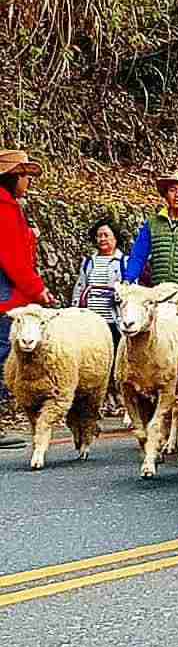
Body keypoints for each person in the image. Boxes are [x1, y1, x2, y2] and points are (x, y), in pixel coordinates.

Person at [0, 150, 56, 445]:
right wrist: (38, 289)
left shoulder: (11, 206)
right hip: (6, 295)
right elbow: (12, 258)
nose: (28, 181)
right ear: (12, 177)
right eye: (24, 176)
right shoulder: (4, 208)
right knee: (1, 352)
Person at [73, 220, 128, 344]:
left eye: (106, 235)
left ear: (115, 238)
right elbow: (80, 288)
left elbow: (130, 291)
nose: (102, 239)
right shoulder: (88, 262)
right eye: (99, 236)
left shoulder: (124, 262)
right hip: (90, 321)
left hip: (114, 320)